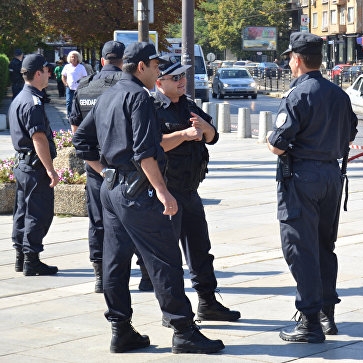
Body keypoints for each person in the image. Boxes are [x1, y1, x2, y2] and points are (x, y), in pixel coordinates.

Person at [72, 42, 224, 354]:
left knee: (115, 262)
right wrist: (164, 191)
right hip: (137, 190)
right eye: (155, 65)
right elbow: (145, 151)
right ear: (141, 66)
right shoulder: (138, 97)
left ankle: (121, 329)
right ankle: (183, 330)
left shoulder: (108, 94)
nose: (158, 70)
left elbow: (81, 140)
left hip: (111, 190)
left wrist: (106, 172)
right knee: (164, 261)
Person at [266, 32, 358, 343]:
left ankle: (309, 321)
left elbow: (279, 144)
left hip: (301, 178)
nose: (289, 62)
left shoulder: (297, 94)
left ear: (298, 59)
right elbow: (350, 135)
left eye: (290, 57)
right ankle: (326, 315)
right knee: (323, 248)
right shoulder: (339, 94)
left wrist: (268, 140)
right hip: (331, 177)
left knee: (299, 249)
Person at [153, 55, 241, 323]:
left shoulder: (188, 104)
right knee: (168, 257)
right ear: (159, 82)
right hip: (167, 192)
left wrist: (207, 129)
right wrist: (183, 135)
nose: (183, 81)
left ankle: (207, 302)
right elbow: (152, 146)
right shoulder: (151, 107)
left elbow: (213, 136)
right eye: (176, 77)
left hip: (190, 191)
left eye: (183, 76)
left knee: (201, 251)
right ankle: (174, 313)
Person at [69, 40, 152, 294]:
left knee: (98, 221)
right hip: (128, 169)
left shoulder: (84, 87)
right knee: (138, 221)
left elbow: (76, 130)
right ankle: (146, 275)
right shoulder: (130, 87)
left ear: (103, 60)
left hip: (99, 169)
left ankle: (100, 276)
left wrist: (94, 164)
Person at [8, 54, 59, 276]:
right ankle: (32, 260)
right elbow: (38, 138)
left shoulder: (21, 97)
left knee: (22, 211)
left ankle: (21, 256)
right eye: (47, 71)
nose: (49, 74)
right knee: (37, 213)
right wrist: (50, 170)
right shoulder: (33, 102)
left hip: (22, 165)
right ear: (38, 73)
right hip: (34, 167)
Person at [61, 50, 87, 117]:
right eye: (72, 57)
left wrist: (82, 85)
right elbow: (63, 76)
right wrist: (65, 83)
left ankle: (78, 115)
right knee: (68, 102)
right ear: (69, 58)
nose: (73, 58)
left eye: (75, 57)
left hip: (78, 88)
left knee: (78, 102)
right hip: (69, 87)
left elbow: (85, 77)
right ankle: (69, 115)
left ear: (78, 58)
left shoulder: (81, 67)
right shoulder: (67, 66)